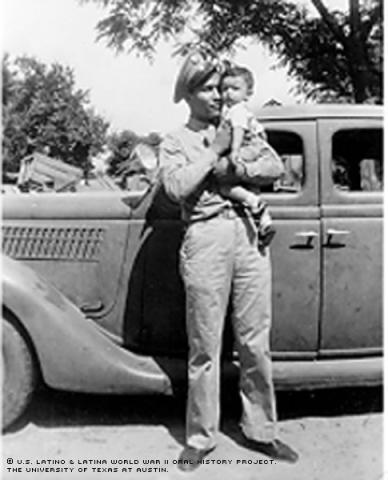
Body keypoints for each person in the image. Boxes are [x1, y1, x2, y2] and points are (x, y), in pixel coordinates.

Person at [159, 50, 298, 472]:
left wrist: (233, 162)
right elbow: (177, 188)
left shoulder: (241, 124)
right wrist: (213, 150)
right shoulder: (175, 140)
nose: (218, 95)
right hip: (206, 238)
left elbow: (274, 165)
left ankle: (261, 430)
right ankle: (201, 437)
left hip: (250, 236)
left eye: (220, 87)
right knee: (204, 345)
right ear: (187, 94)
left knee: (255, 339)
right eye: (207, 88)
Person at [216, 64, 276, 247]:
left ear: (248, 93)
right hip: (255, 147)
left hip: (244, 146)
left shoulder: (237, 111)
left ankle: (253, 202)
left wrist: (235, 151)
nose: (228, 93)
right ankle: (263, 219)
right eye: (225, 89)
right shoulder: (246, 112)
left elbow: (238, 130)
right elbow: (262, 134)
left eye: (235, 89)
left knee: (222, 183)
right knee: (250, 184)